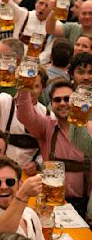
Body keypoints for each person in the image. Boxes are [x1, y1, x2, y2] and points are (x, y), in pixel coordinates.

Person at [16, 79, 92, 216]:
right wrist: (25, 83)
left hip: (85, 204)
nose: (62, 103)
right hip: (52, 202)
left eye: (67, 99)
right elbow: (24, 114)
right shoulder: (46, 127)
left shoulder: (90, 129)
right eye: (57, 100)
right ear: (51, 104)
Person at [0, 63, 48, 172]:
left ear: (43, 89)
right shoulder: (5, 102)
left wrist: (37, 164)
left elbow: (49, 148)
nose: (28, 90)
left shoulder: (46, 115)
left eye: (35, 86)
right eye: (25, 84)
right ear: (18, 84)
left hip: (26, 177)